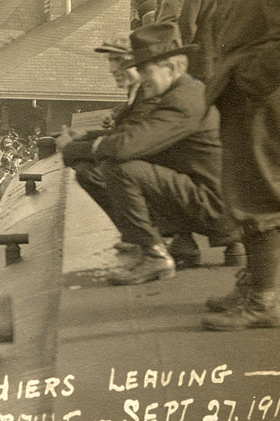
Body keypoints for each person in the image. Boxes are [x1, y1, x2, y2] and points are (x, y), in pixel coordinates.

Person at [58, 22, 240, 284]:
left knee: (119, 166)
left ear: (172, 67)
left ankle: (155, 255)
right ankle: (178, 243)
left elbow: (125, 146)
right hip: (212, 200)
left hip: (214, 208)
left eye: (146, 70)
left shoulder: (181, 101)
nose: (141, 78)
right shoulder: (179, 93)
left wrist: (72, 148)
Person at [200, 0, 280, 330]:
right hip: (249, 95)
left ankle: (263, 301)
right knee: (243, 192)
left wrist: (252, 81)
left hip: (262, 97)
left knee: (258, 195)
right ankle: (254, 287)